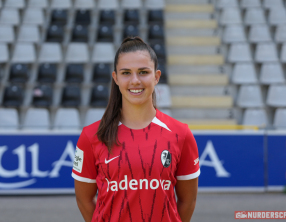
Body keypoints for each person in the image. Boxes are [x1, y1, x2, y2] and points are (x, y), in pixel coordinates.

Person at [72, 36, 200, 222]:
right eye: (126, 73)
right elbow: (84, 200)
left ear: (156, 77)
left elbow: (188, 201)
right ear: (115, 78)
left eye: (143, 72)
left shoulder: (181, 134)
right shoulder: (92, 136)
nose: (135, 80)